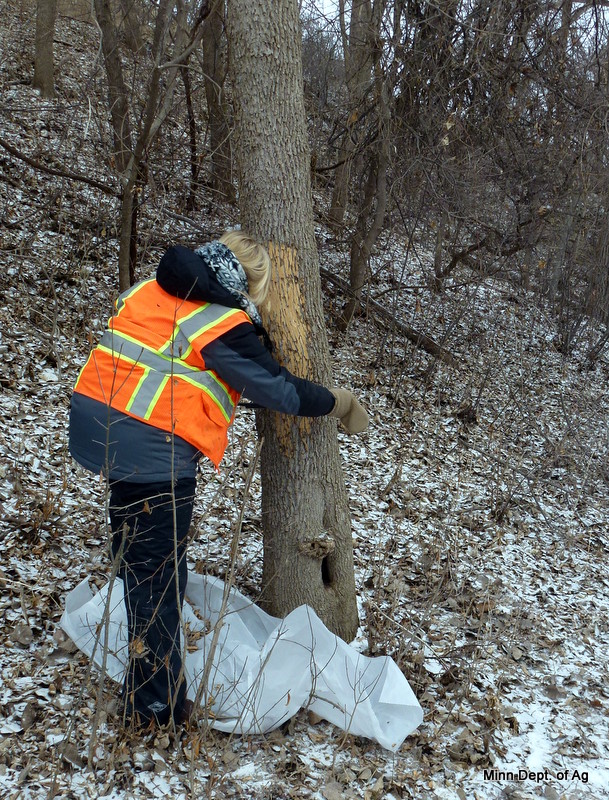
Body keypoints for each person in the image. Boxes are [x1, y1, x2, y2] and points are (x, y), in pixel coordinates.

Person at [68, 230, 368, 729]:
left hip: (98, 426)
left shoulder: (154, 288)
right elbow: (279, 389)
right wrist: (338, 402)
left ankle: (137, 634)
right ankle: (153, 707)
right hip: (151, 449)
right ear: (247, 283)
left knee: (139, 549)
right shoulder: (221, 321)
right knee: (156, 575)